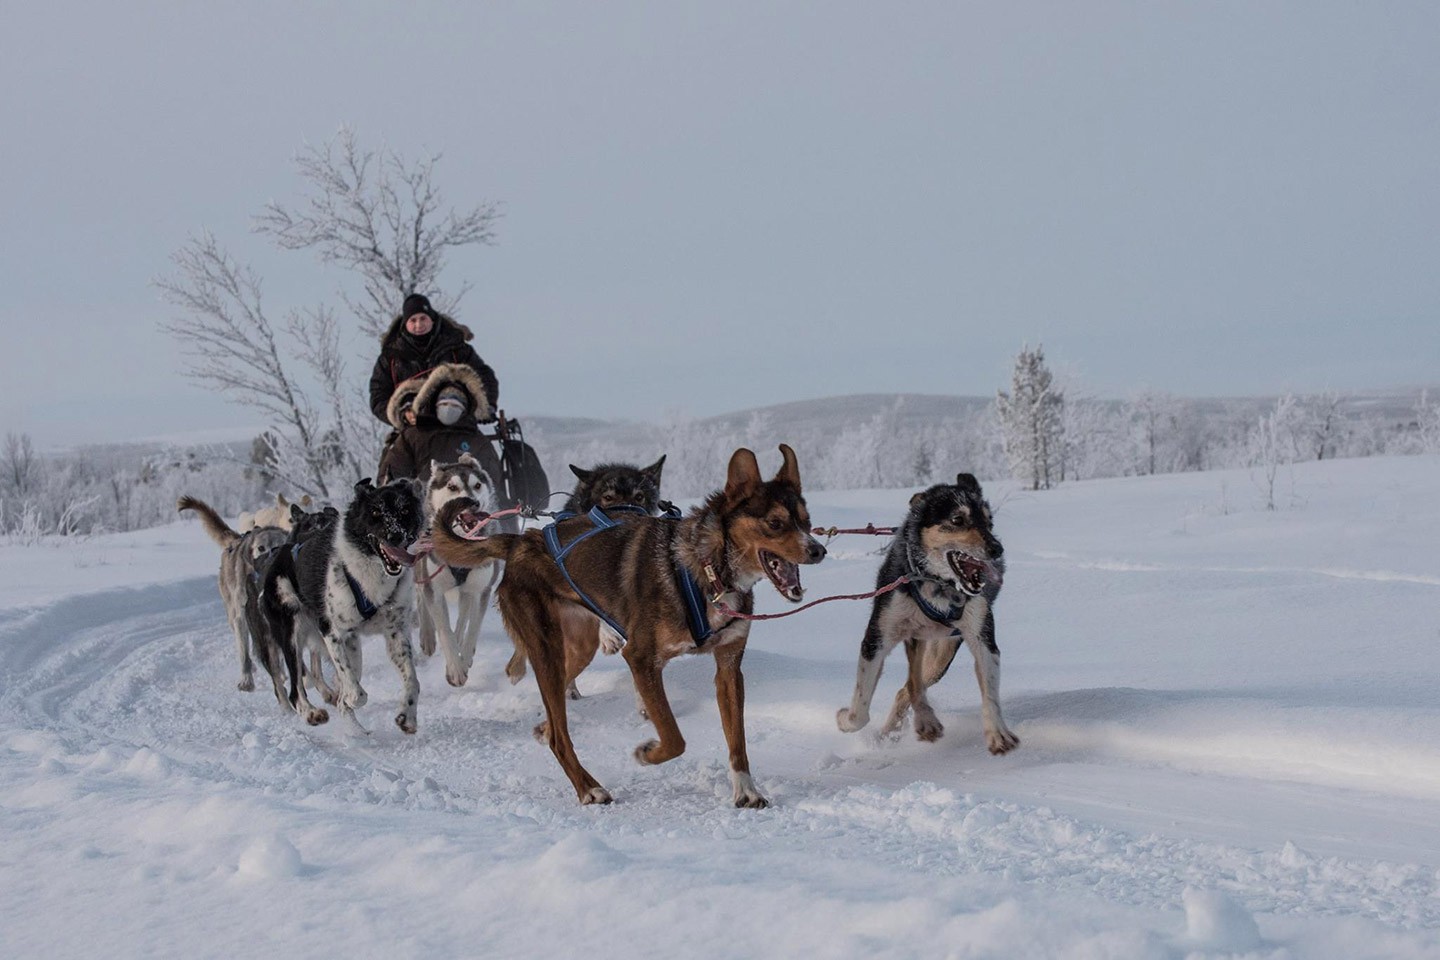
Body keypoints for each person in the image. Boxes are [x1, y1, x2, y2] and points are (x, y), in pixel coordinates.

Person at [370, 293, 499, 428]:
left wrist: (487, 405)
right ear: (405, 324)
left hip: (458, 424)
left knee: (481, 449)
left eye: (423, 318)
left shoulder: (456, 348)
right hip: (413, 429)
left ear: (431, 319)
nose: (419, 325)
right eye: (413, 320)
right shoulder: (390, 358)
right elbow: (378, 395)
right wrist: (402, 415)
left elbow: (483, 375)